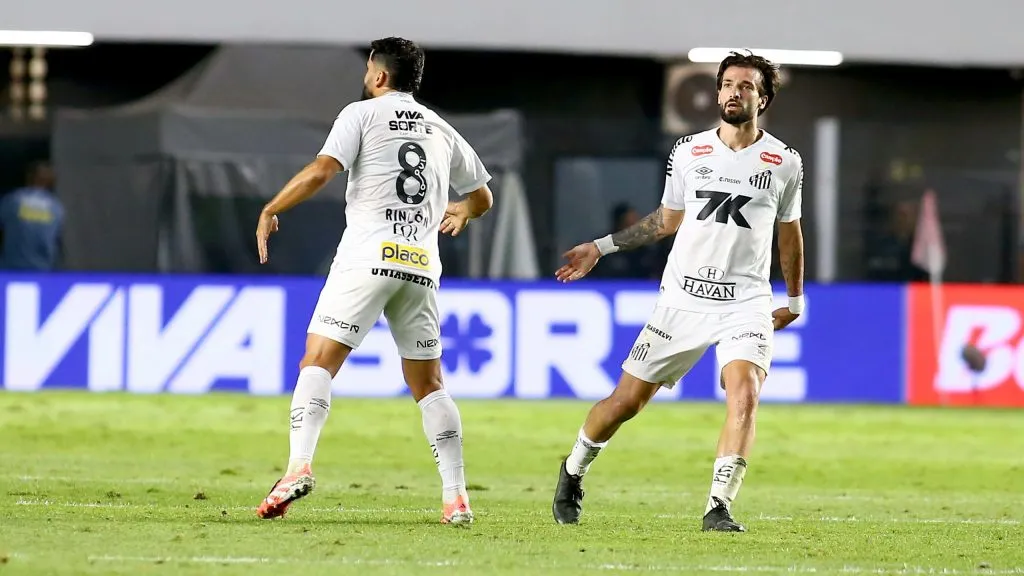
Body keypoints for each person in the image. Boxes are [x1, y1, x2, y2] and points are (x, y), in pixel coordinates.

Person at [550, 51, 805, 532]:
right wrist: (601, 248)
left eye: (745, 86)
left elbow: (790, 233)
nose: (733, 92)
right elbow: (665, 221)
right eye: (727, 83)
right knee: (626, 402)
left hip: (746, 301)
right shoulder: (689, 151)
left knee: (744, 393)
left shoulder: (785, 162)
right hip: (683, 298)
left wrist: (794, 300)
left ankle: (719, 506)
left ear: (763, 98)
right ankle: (572, 469)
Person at [253, 37, 494, 525]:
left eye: (368, 70)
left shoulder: (360, 115)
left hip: (367, 258)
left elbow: (322, 172)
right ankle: (456, 497)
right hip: (421, 267)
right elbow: (484, 195)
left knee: (318, 360)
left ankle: (298, 466)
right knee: (428, 384)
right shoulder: (440, 128)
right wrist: (463, 211)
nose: (366, 78)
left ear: (379, 76)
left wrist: (272, 208)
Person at [0, 161, 64, 271]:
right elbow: (57, 241)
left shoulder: (12, 200)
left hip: (10, 269)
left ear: (29, 177)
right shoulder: (57, 207)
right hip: (42, 270)